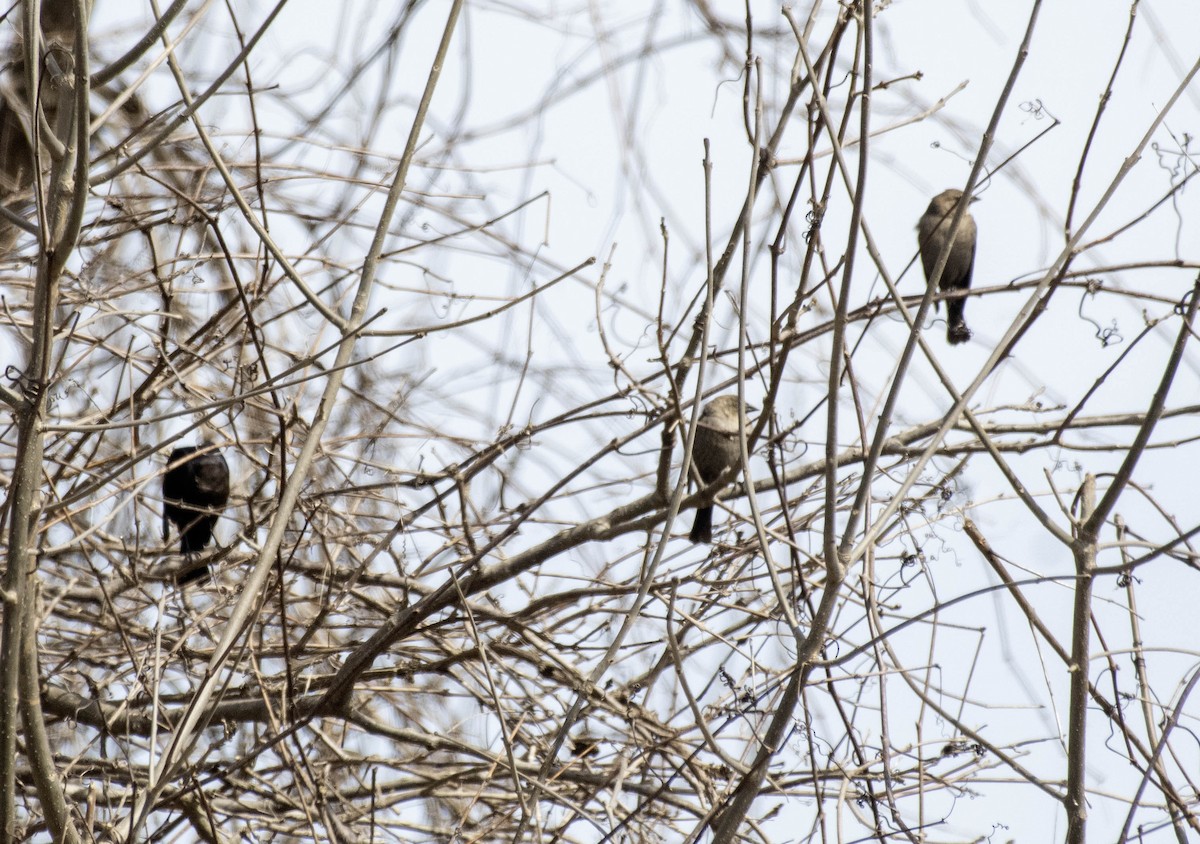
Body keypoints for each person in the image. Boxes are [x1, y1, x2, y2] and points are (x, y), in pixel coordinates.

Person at [688, 395, 752, 544]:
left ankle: (701, 529)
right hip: (704, 476)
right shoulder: (707, 422)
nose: (746, 413)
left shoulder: (747, 426)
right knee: (706, 498)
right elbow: (691, 454)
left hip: (728, 477)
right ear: (729, 407)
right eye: (741, 408)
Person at [918, 188, 978, 344]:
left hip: (960, 276)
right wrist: (932, 290)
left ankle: (956, 321)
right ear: (944, 203)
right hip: (939, 279)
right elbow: (925, 261)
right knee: (951, 302)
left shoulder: (969, 224)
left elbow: (970, 261)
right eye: (959, 200)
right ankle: (955, 321)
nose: (966, 204)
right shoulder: (927, 224)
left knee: (956, 304)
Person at [162, 445, 230, 583]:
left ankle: (191, 569)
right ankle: (192, 569)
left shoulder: (216, 461)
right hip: (189, 511)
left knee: (195, 540)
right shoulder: (183, 460)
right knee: (194, 539)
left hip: (196, 514)